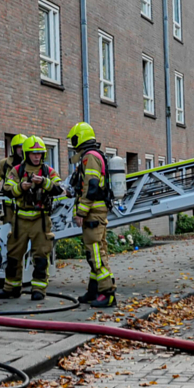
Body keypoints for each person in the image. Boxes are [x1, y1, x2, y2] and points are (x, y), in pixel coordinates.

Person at [0, 136, 63, 301]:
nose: (36, 157)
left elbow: (58, 188)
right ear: (26, 154)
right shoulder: (17, 170)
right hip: (20, 221)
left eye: (39, 153)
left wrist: (44, 182)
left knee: (41, 256)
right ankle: (11, 288)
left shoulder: (48, 171)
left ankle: (38, 289)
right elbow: (6, 189)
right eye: (33, 153)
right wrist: (20, 187)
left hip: (41, 221)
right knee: (13, 255)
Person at [67, 122, 116, 308]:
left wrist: (81, 212)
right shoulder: (92, 156)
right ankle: (95, 290)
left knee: (95, 253)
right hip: (96, 212)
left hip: (92, 213)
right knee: (97, 251)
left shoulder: (90, 158)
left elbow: (92, 187)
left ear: (79, 138)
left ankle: (107, 293)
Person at [0, 134, 27, 289]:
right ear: (14, 149)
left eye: (24, 147)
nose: (22, 150)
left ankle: (20, 273)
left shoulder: (30, 165)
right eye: (19, 147)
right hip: (9, 209)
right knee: (10, 238)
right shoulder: (5, 164)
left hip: (26, 208)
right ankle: (9, 273)